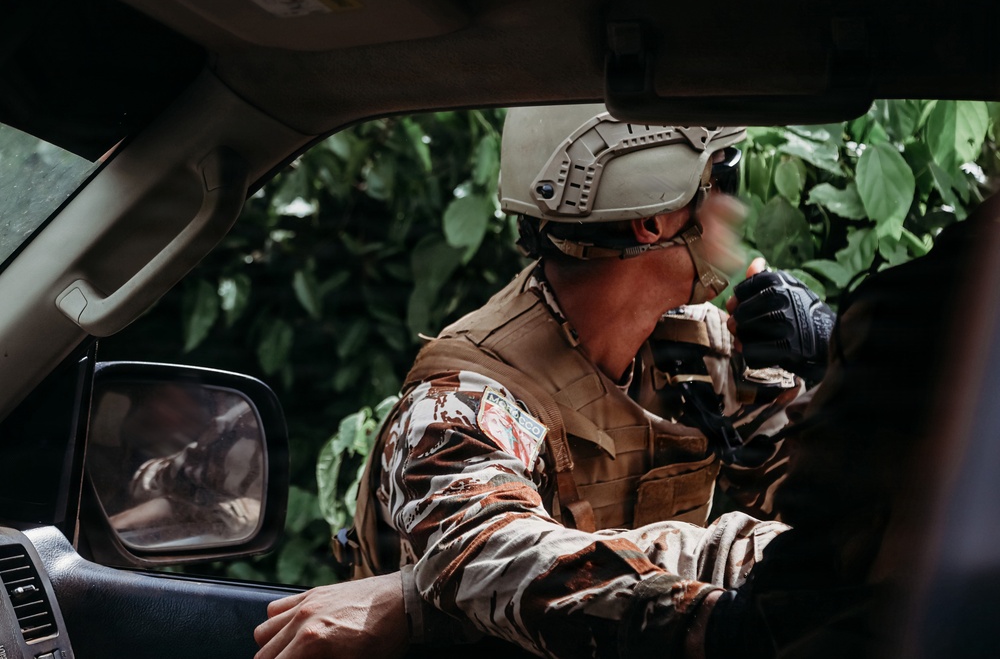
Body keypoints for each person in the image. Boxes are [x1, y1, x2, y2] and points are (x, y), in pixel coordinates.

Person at [255, 104, 835, 659]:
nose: (740, 210)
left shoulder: (696, 351)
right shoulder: (463, 399)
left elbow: (844, 507)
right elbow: (491, 559)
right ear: (654, 217)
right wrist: (741, 580)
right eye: (727, 176)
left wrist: (841, 374)